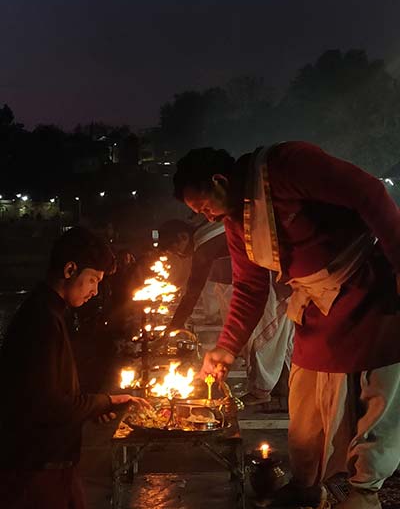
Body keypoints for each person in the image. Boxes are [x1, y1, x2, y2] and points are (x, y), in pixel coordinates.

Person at [173, 142, 400, 509]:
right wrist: (225, 348)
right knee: (304, 408)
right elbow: (249, 287)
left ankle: (365, 491)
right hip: (315, 306)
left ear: (219, 181)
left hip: (370, 291)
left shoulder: (286, 166)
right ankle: (306, 483)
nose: (208, 217)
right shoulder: (236, 222)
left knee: (377, 399)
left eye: (204, 206)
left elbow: (370, 194)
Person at [0, 227, 148, 509]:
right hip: (34, 467)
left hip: (52, 459)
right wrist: (106, 400)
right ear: (70, 270)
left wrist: (92, 407)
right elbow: (47, 405)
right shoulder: (41, 320)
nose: (95, 291)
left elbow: (53, 389)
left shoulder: (48, 311)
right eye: (93, 280)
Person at [159, 218, 293, 406]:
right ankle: (279, 388)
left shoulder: (204, 244)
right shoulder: (207, 234)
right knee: (275, 341)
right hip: (262, 287)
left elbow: (193, 289)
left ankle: (262, 391)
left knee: (260, 342)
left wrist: (174, 325)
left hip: (266, 290)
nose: (179, 255)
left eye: (176, 249)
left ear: (182, 237)